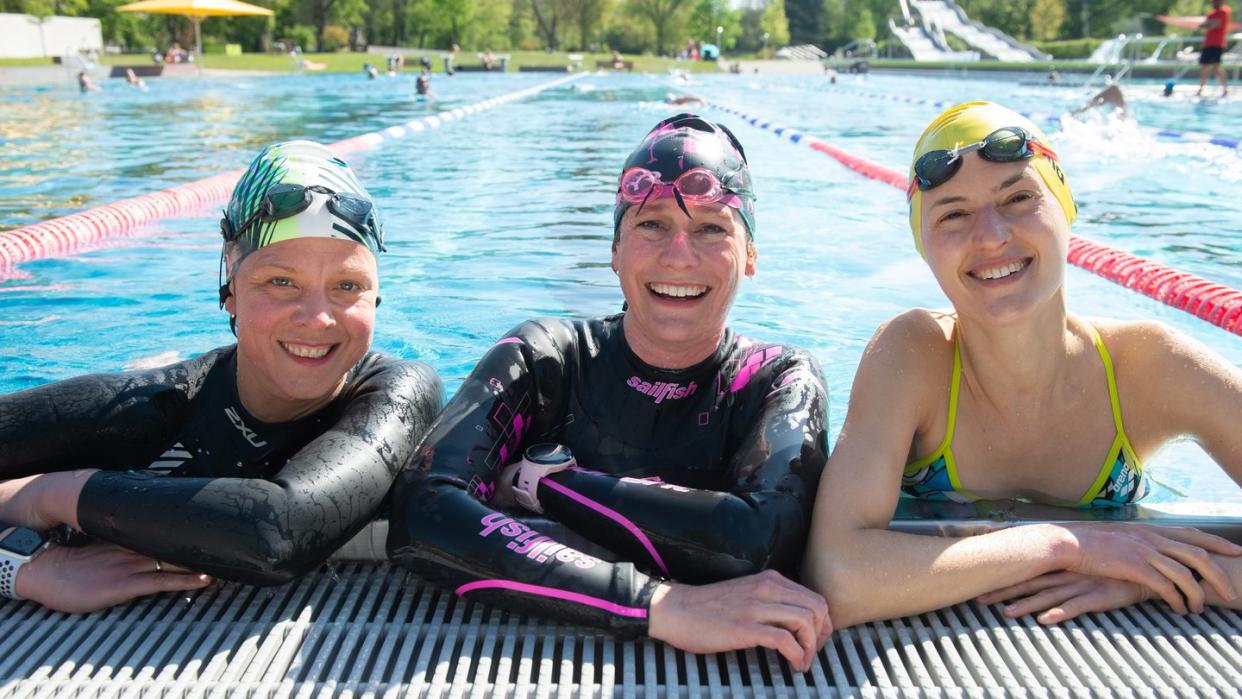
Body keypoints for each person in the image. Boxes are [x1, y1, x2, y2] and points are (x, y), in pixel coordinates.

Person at [388, 113, 831, 671]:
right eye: (651, 225)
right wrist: (657, 605)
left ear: (750, 257)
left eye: (712, 228)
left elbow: (760, 542)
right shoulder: (547, 358)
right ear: (615, 250)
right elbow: (422, 511)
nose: (679, 254)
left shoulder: (779, 379)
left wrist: (545, 486)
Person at [804, 101, 1242, 630]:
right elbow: (837, 575)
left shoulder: (1151, 367)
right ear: (926, 247)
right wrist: (1064, 545)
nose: (991, 236)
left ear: (1065, 208)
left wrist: (1151, 573)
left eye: (1018, 198)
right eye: (953, 214)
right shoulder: (914, 354)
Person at [0, 141, 442, 613]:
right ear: (229, 291)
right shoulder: (150, 407)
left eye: (347, 286)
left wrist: (50, 494)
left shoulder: (398, 391)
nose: (317, 319)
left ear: (375, 298)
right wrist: (22, 571)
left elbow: (280, 532)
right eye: (280, 282)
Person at [1198, 0, 1232, 97]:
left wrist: (1209, 24)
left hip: (1217, 43)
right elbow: (1204, 25)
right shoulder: (1211, 14)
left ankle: (1225, 89)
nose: (1214, 3)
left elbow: (1214, 25)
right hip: (1208, 43)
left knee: (1216, 66)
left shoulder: (1224, 12)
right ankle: (1201, 89)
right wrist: (1209, 24)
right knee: (1204, 66)